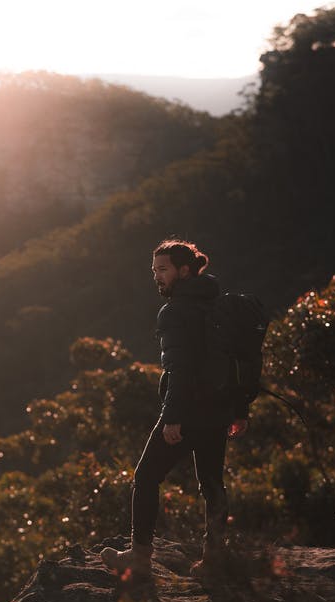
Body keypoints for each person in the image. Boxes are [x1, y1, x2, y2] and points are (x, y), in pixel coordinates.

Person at [101, 238, 248, 579]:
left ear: (184, 271)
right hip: (220, 410)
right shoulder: (221, 306)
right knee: (212, 482)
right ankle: (214, 558)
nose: (157, 277)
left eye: (163, 270)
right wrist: (240, 410)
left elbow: (179, 369)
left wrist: (172, 418)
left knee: (146, 477)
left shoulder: (175, 312)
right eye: (154, 270)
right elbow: (239, 361)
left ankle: (139, 557)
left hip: (189, 411)